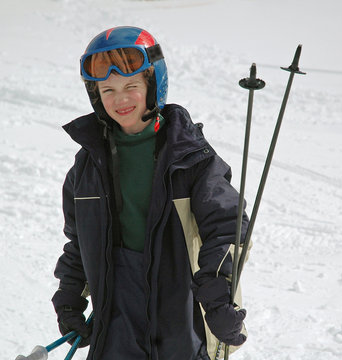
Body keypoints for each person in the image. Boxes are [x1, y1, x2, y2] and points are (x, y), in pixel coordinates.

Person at [51, 26, 248, 360]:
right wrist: (69, 296)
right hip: (117, 319)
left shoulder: (190, 158)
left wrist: (217, 295)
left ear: (154, 84)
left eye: (131, 86)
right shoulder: (87, 166)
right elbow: (79, 242)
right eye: (108, 89)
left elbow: (227, 226)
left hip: (179, 315)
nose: (120, 98)